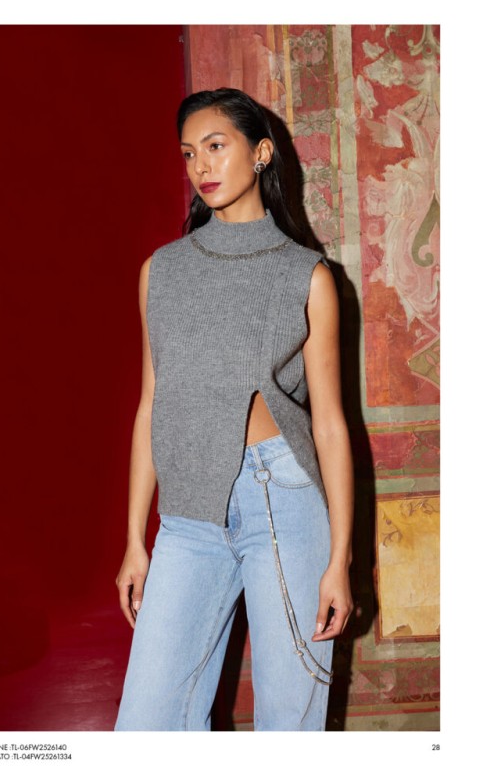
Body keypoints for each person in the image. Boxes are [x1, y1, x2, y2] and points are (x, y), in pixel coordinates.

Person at [114, 88, 354, 731]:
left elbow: (331, 425)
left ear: (262, 153)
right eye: (189, 153)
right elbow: (151, 408)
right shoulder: (162, 272)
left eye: (216, 146)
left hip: (284, 501)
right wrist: (136, 541)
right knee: (146, 726)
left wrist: (339, 558)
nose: (201, 166)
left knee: (288, 722)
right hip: (188, 517)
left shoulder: (307, 276)